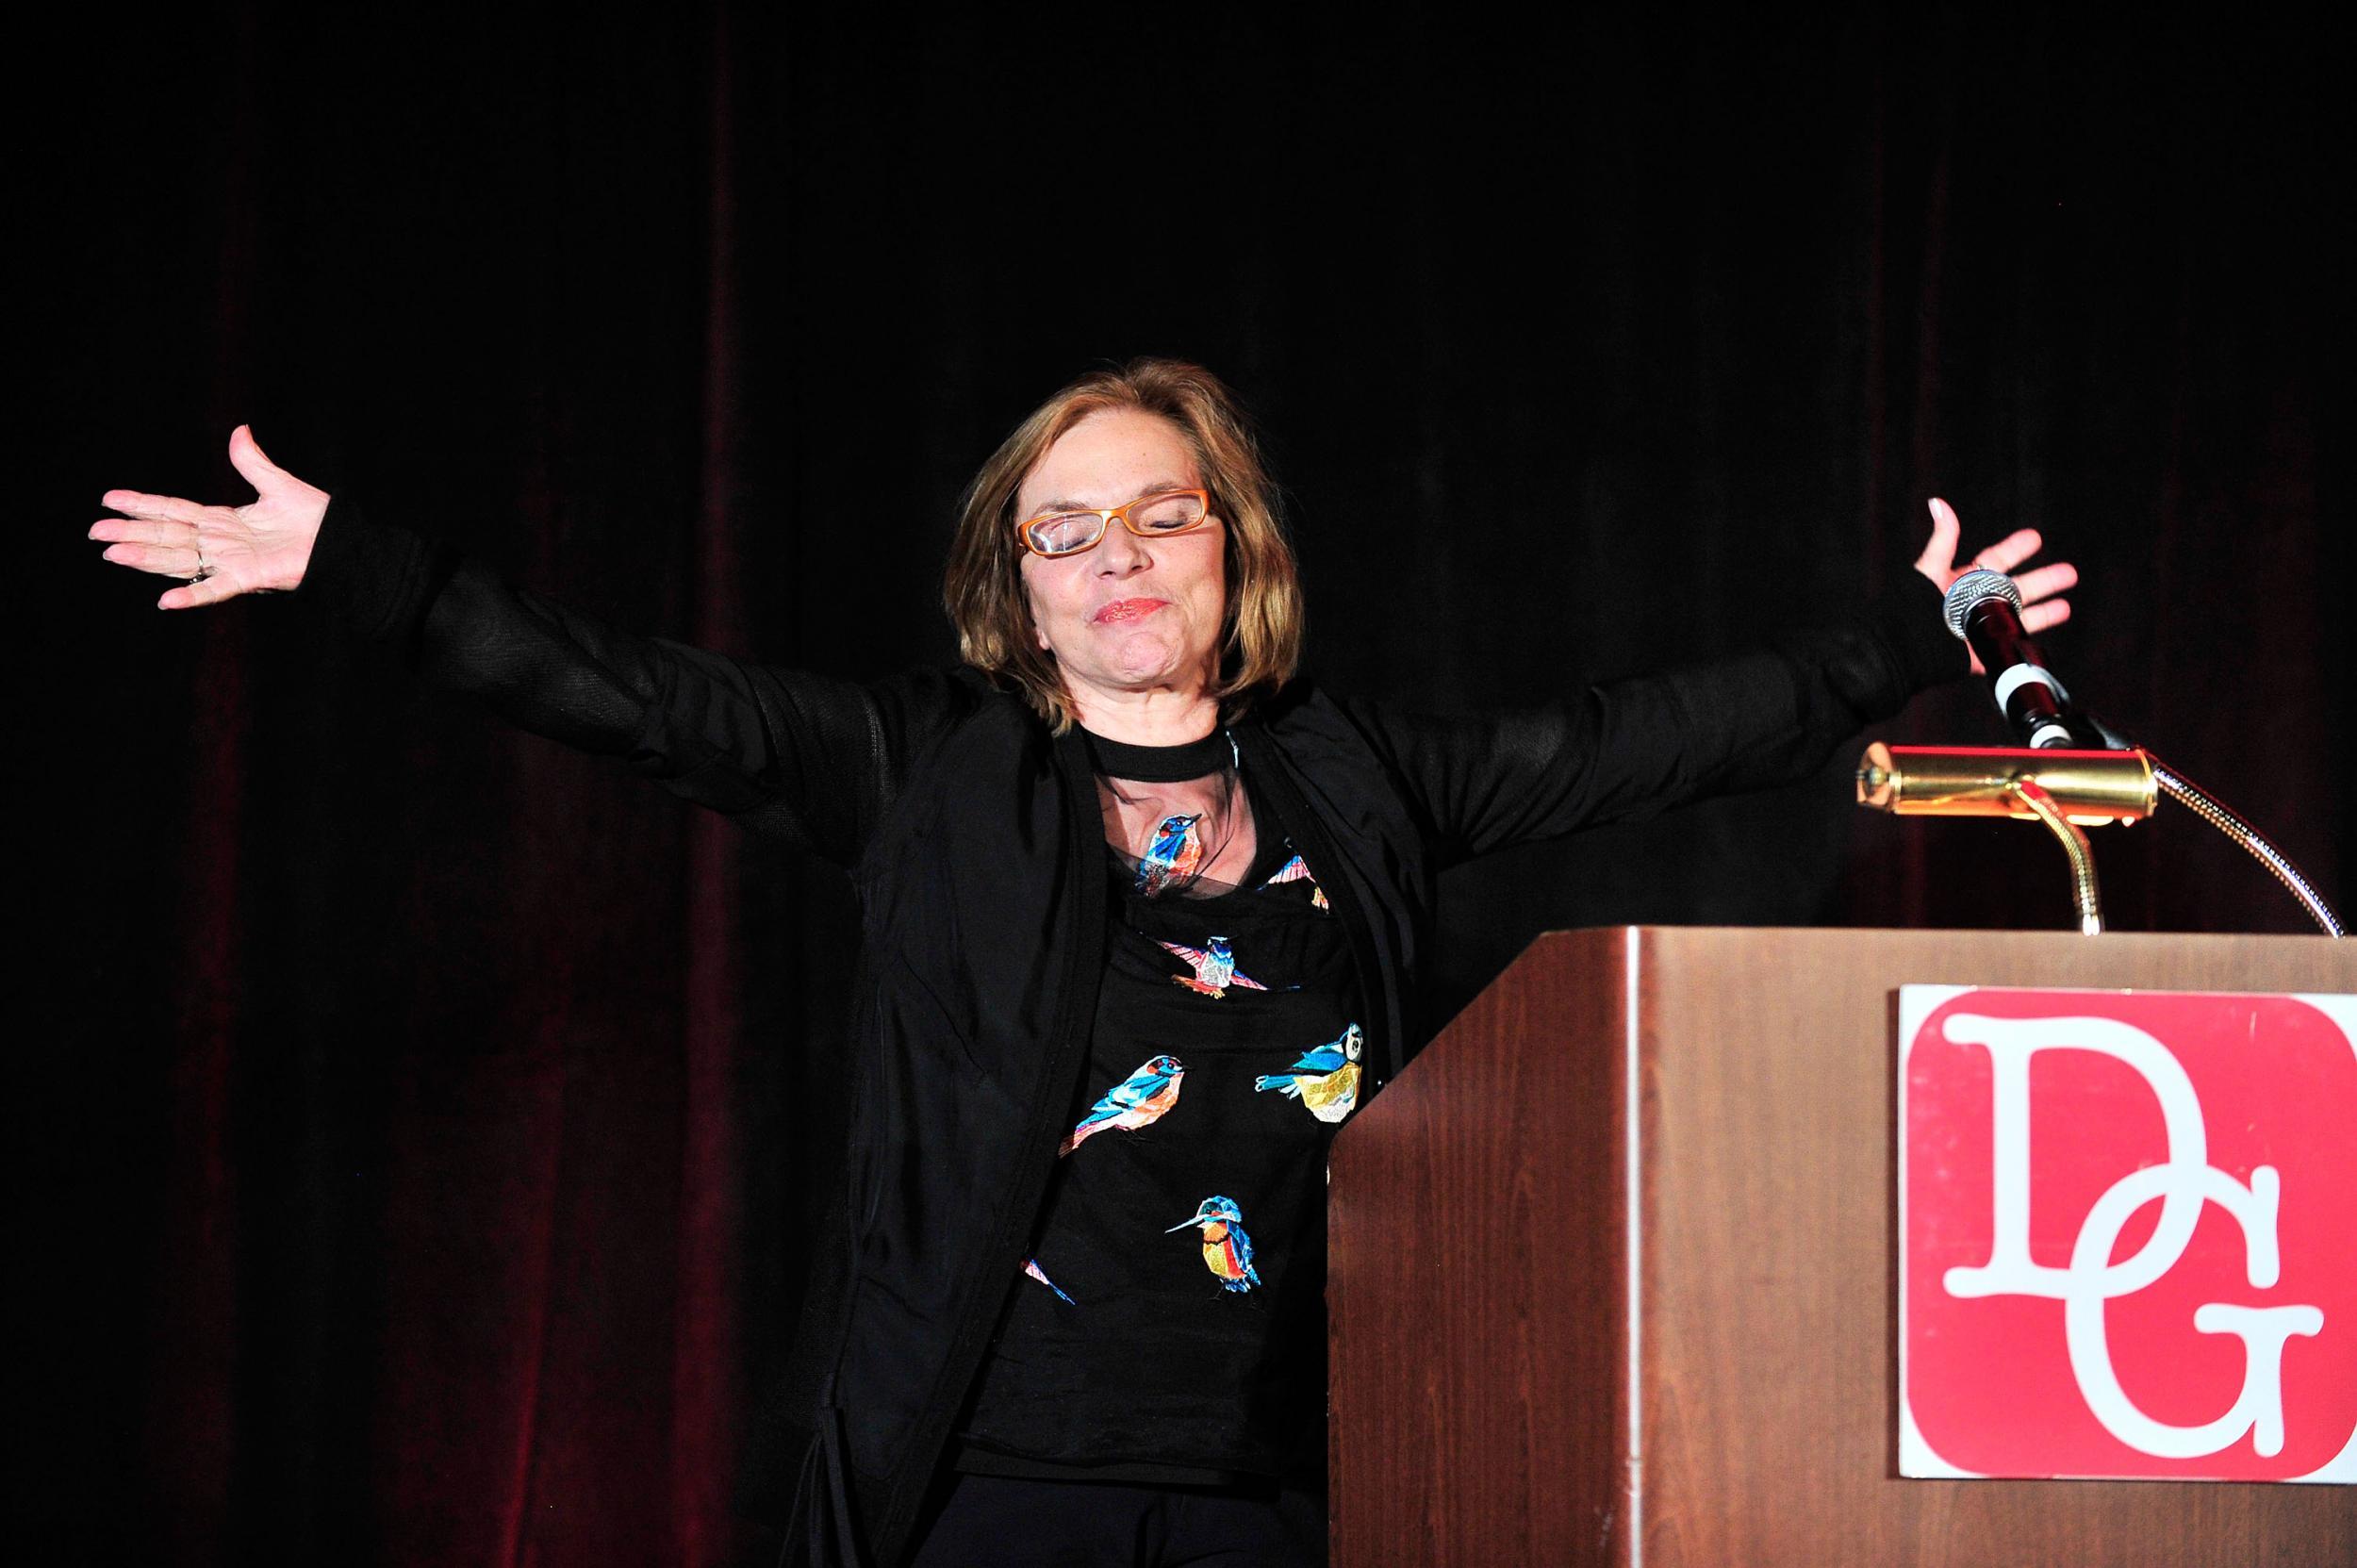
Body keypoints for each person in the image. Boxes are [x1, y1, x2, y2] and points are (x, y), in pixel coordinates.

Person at [91, 359, 2074, 1567]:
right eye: (1062, 532)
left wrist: (1908, 632)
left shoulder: (1361, 784)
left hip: (1267, 1488)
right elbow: (642, 700)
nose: (1115, 554)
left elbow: (1648, 733)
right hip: (982, 1481)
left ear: (1231, 553)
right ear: (1014, 592)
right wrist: (365, 570)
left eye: (1156, 512)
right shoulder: (928, 777)